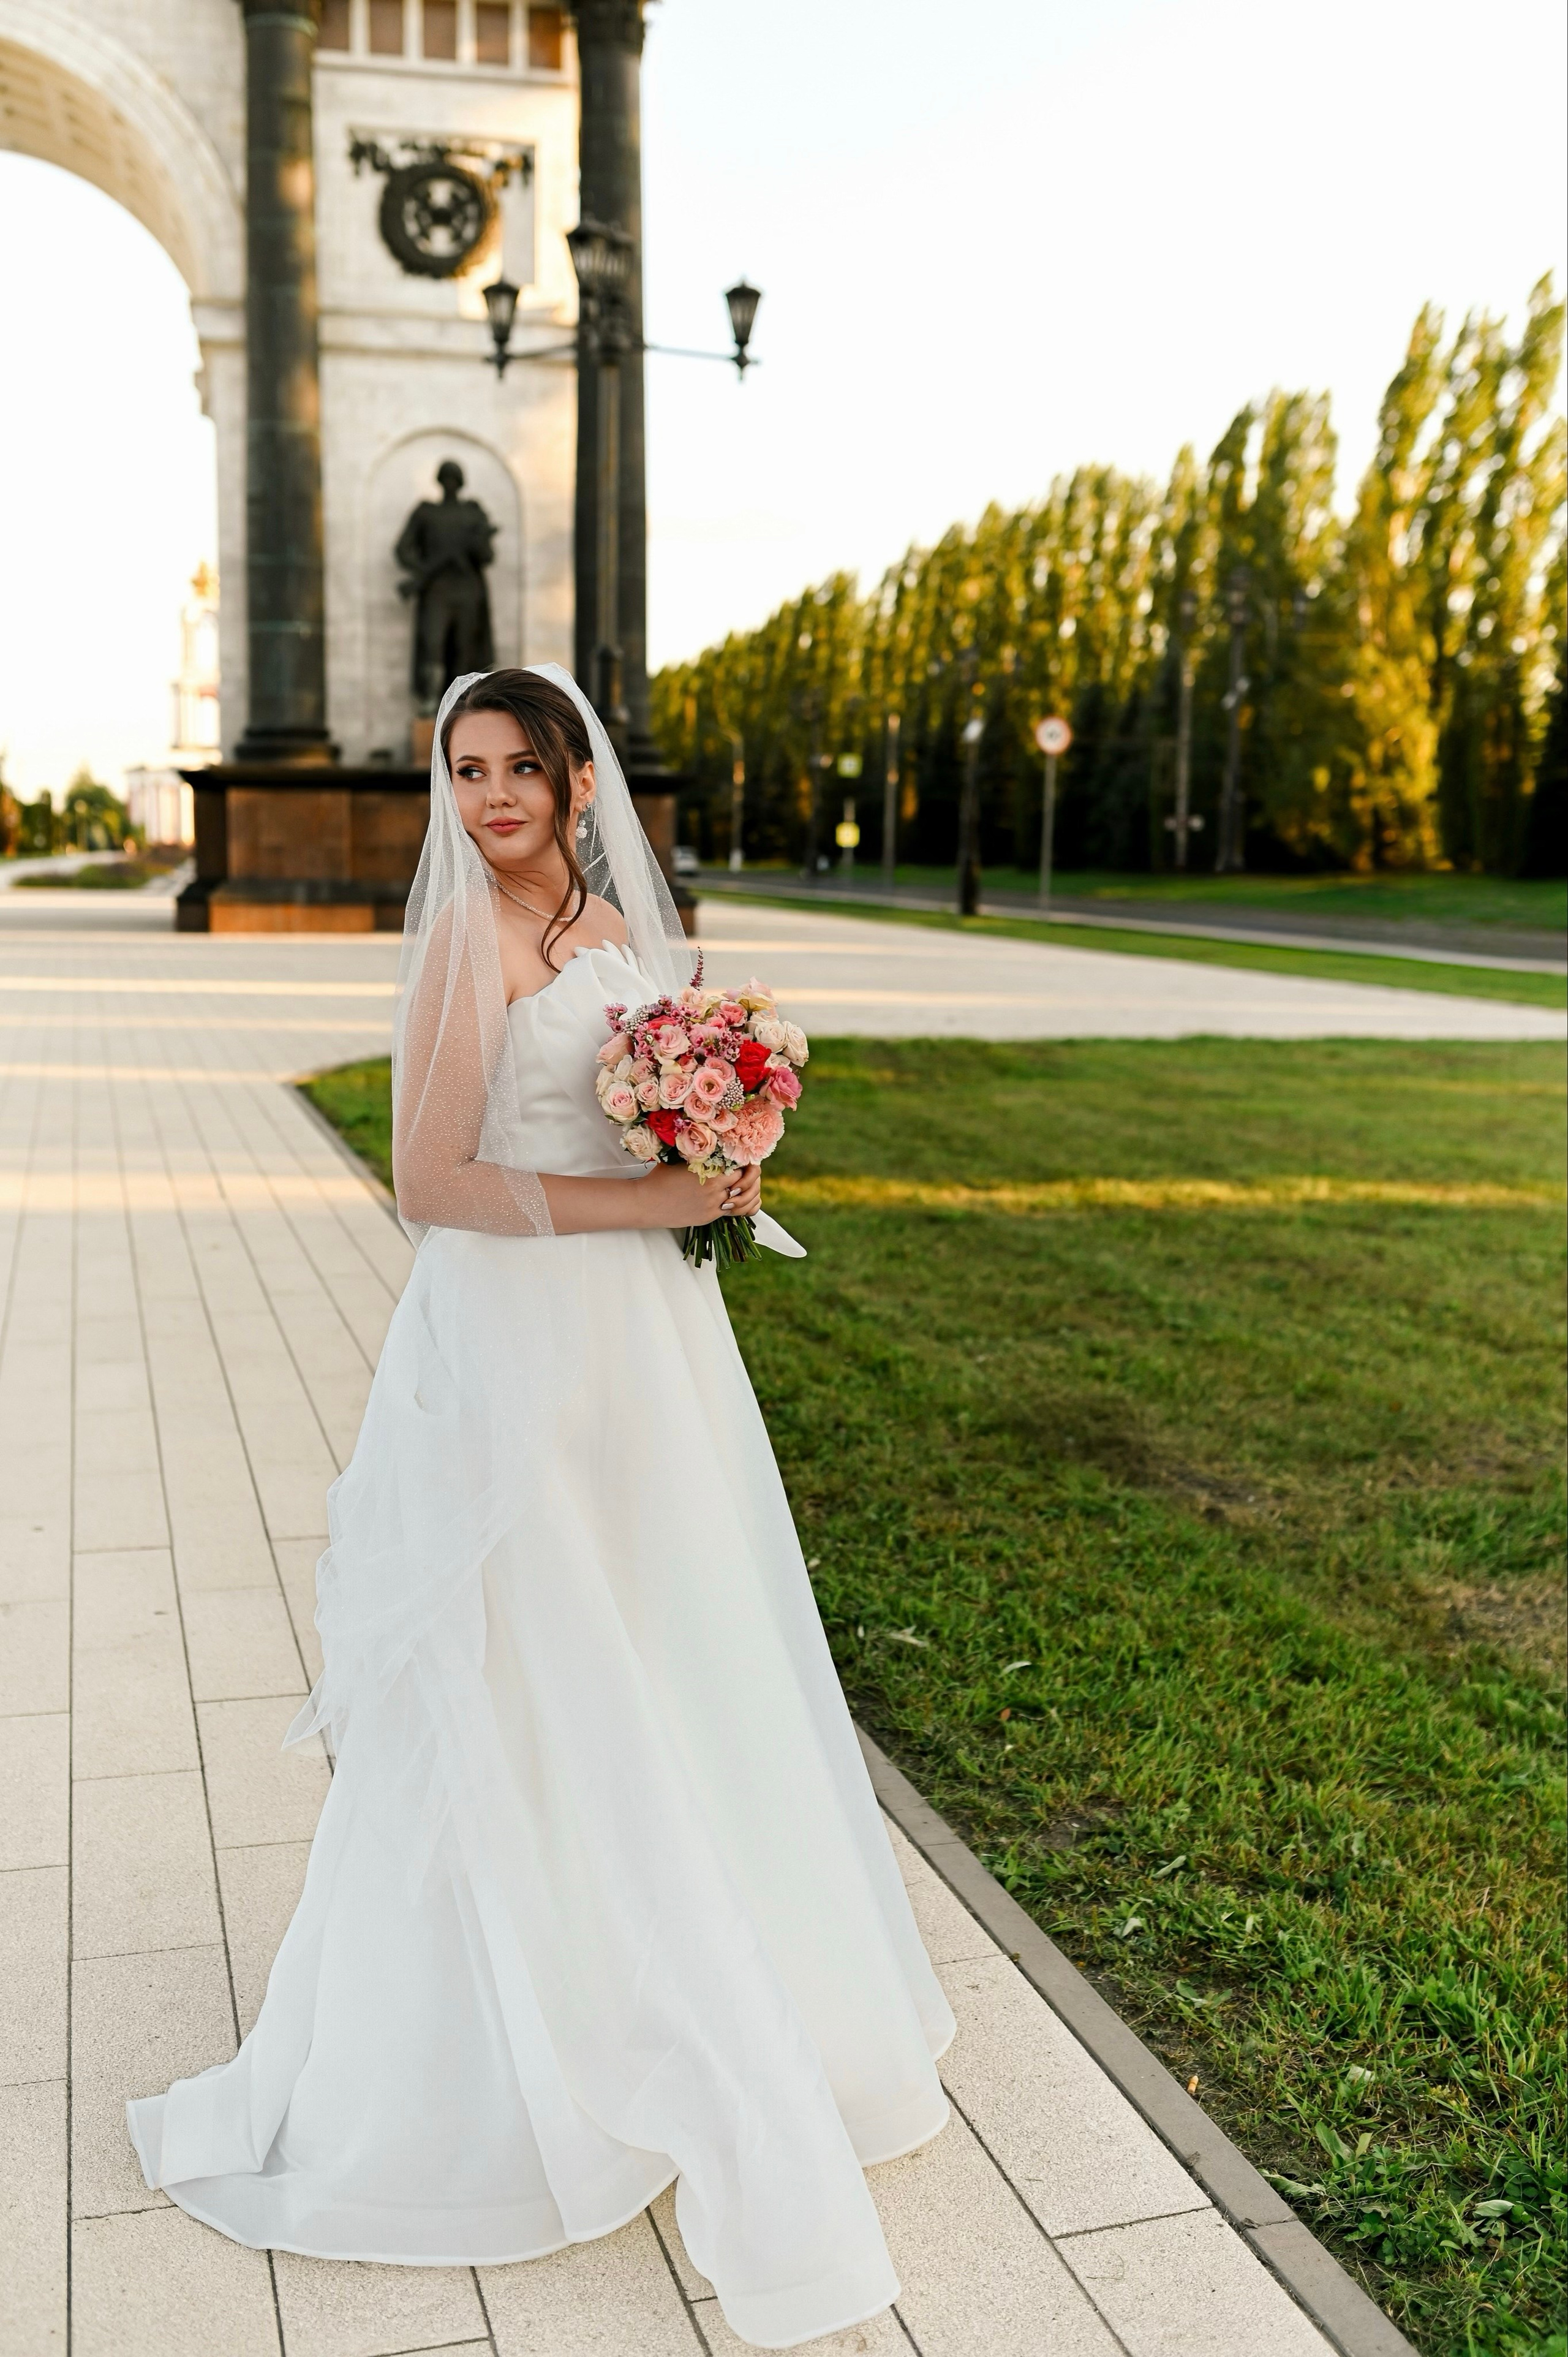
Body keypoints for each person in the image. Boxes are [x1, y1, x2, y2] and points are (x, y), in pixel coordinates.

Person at [127, 667, 953, 2351]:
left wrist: (726, 1131)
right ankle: (493, 2043)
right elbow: (430, 1181)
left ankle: (707, 1959)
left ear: (580, 780)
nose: (492, 794)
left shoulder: (613, 923)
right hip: (512, 1338)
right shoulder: (464, 939)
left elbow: (651, 1087)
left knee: (664, 1641)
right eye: (466, 768)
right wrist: (648, 1191)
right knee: (531, 1662)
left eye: (521, 765)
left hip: (646, 1346)